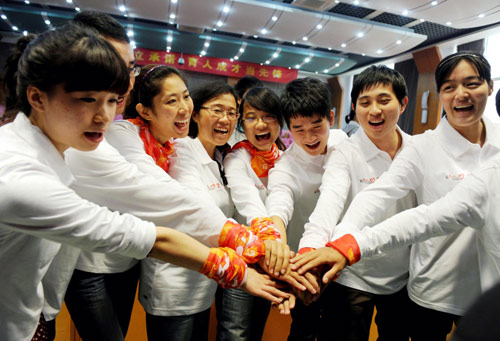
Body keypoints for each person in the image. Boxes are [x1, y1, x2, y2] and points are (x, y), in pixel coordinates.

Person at [0, 23, 282, 341]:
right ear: (37, 97)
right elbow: (150, 220)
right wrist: (243, 263)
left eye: (110, 100)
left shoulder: (63, 147)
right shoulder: (23, 177)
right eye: (87, 99)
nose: (103, 115)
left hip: (33, 309)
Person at [292, 51, 499, 341]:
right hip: (415, 284)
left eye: (472, 84)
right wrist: (331, 247)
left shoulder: (487, 144)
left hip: (462, 286)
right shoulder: (418, 149)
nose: (461, 94)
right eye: (449, 87)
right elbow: (366, 200)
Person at [298, 65, 416, 340]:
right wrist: (308, 257)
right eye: (365, 102)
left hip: (403, 279)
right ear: (354, 107)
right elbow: (327, 206)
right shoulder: (345, 153)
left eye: (384, 100)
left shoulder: (416, 150)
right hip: (351, 275)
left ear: (403, 103)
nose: (374, 110)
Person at [265, 77, 347, 340]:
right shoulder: (285, 168)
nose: (309, 137)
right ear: (288, 128)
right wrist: (276, 241)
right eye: (298, 129)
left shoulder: (342, 143)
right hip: (306, 265)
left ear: (331, 118)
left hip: (347, 262)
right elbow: (278, 204)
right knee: (303, 330)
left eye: (317, 126)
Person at [217, 87, 287, 340]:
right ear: (242, 123)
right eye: (251, 117)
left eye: (268, 116)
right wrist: (273, 239)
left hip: (272, 262)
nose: (260, 124)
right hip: (243, 261)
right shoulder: (236, 158)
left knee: (257, 327)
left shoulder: (286, 159)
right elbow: (248, 203)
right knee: (235, 331)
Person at [228, 76, 263, 146]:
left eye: (258, 96)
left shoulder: (263, 124)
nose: (255, 101)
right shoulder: (229, 124)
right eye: (250, 96)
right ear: (239, 99)